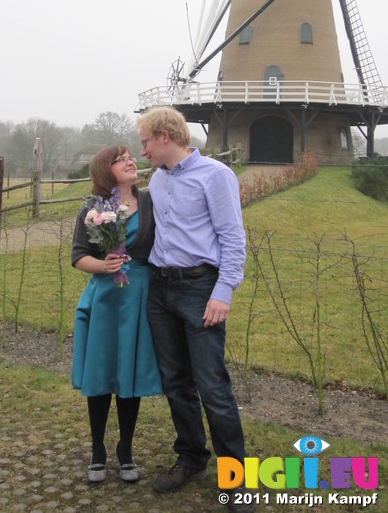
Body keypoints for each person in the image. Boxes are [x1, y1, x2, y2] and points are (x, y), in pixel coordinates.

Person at [136, 107, 254, 513]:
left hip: (201, 289)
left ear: (165, 135)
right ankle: (191, 459)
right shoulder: (158, 180)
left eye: (146, 141)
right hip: (160, 289)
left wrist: (223, 291)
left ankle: (237, 480)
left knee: (213, 388)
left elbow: (233, 238)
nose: (143, 149)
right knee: (176, 383)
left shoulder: (215, 176)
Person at [71, 145, 162, 484]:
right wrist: (104, 265)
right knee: (100, 371)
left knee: (130, 369)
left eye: (130, 157)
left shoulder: (151, 201)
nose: (130, 161)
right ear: (105, 169)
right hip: (105, 297)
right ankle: (98, 450)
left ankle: (126, 449)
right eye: (121, 159)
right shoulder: (92, 208)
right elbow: (79, 256)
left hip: (139, 295)